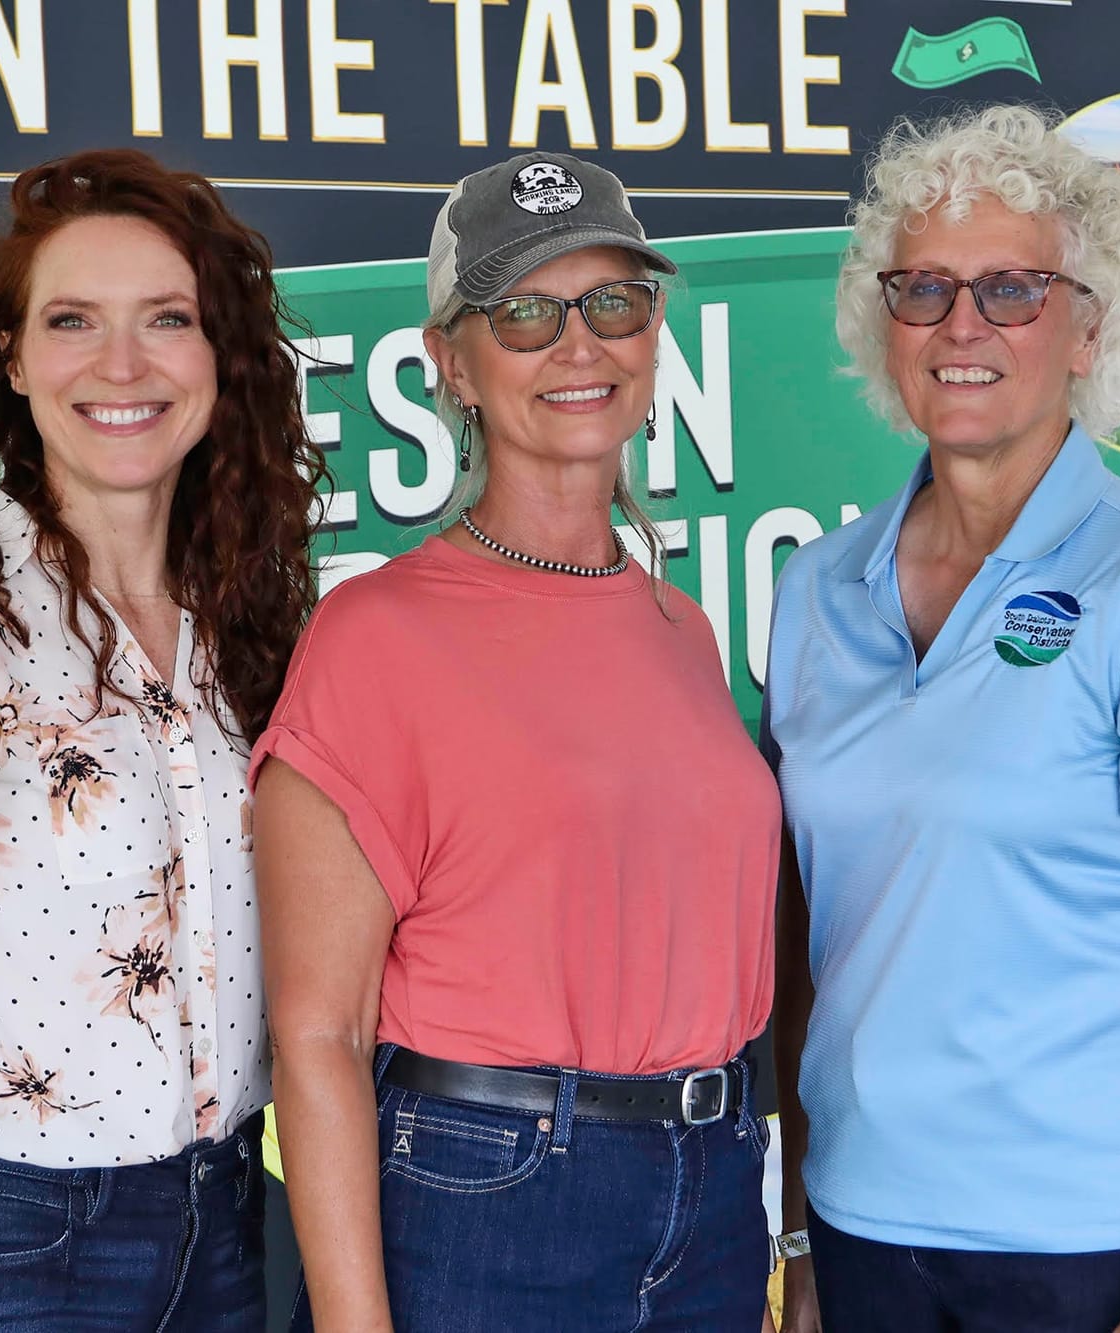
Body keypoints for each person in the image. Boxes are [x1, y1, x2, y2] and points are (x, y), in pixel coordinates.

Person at [764, 105, 1120, 1333]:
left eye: (1010, 288)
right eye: (924, 289)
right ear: (877, 323)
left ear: (1085, 328)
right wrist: (795, 1232)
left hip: (1089, 1249)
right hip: (860, 1228)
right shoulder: (812, 591)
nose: (961, 326)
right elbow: (806, 942)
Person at [251, 150, 780, 1333]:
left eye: (612, 302)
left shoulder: (679, 629)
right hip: (488, 1196)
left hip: (711, 1197)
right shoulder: (372, 636)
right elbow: (318, 1035)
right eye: (524, 312)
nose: (577, 344)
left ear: (652, 332)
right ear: (452, 363)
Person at [0, 149, 326, 1330]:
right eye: (73, 320)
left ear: (218, 359)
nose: (123, 364)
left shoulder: (242, 636)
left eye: (167, 320)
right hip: (13, 1244)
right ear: (13, 358)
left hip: (228, 1217)